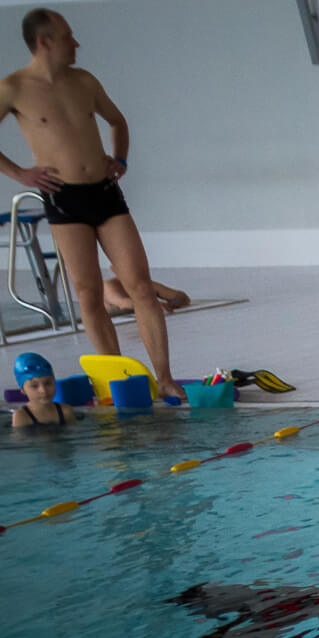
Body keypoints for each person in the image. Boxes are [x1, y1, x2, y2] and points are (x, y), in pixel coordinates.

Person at [0, 9, 185, 401]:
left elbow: (117, 121)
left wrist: (120, 160)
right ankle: (118, 381)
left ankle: (165, 378)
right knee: (87, 293)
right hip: (63, 199)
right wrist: (20, 173)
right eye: (68, 36)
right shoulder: (13, 88)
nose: (77, 43)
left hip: (104, 192)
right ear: (45, 41)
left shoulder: (84, 81)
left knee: (140, 287)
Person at [10, 350, 74, 426]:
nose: (43, 390)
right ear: (23, 390)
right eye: (34, 386)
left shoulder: (66, 411)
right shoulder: (21, 416)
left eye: (48, 383)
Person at [104, 274, 187, 316]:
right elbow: (123, 304)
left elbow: (181, 296)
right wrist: (155, 304)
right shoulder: (110, 286)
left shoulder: (144, 284)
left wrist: (174, 303)